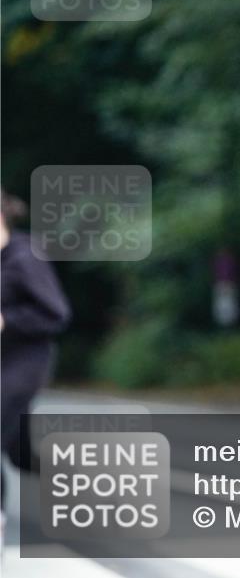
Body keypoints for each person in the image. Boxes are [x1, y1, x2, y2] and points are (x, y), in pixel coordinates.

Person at [1, 189, 72, 520]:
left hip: (26, 361)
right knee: (19, 453)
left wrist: (7, 321)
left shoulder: (25, 257)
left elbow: (55, 314)